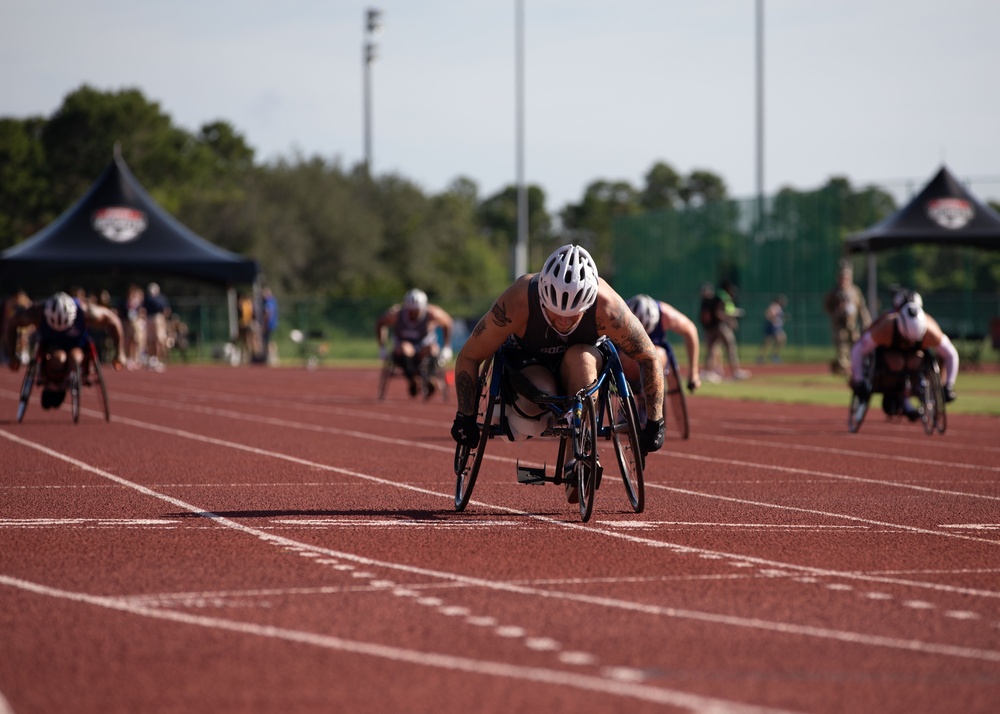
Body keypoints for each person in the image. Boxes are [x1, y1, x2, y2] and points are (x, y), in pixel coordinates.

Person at [450, 244, 665, 504]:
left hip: (581, 362)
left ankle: (577, 454)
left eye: (573, 314)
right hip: (531, 361)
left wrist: (655, 423)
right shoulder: (518, 301)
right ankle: (523, 413)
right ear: (541, 296)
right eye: (555, 312)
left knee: (583, 360)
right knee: (536, 404)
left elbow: (648, 356)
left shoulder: (608, 307)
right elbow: (470, 355)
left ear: (589, 303)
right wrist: (466, 415)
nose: (563, 322)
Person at [4, 292, 125, 409]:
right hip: (50, 350)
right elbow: (12, 324)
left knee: (75, 358)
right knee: (58, 358)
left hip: (77, 346)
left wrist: (120, 353)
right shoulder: (37, 312)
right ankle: (54, 383)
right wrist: (12, 356)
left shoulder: (87, 311)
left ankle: (71, 376)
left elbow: (114, 321)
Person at [849, 297, 958, 421]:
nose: (910, 343)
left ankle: (911, 394)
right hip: (890, 359)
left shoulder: (931, 331)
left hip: (915, 361)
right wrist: (859, 381)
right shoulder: (886, 327)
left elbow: (951, 354)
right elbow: (858, 350)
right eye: (907, 340)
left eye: (914, 340)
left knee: (917, 360)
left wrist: (948, 385)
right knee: (897, 362)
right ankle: (897, 394)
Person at [624, 294, 701, 424]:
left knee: (658, 353)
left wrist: (693, 373)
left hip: (656, 353)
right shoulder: (619, 310)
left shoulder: (666, 315)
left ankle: (646, 397)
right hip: (626, 355)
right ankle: (626, 403)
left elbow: (690, 330)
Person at [376, 288, 454, 398]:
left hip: (424, 347)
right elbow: (380, 322)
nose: (413, 313)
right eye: (411, 310)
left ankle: (430, 379)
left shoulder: (432, 313)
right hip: (404, 349)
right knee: (404, 347)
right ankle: (413, 378)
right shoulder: (396, 314)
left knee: (433, 348)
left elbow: (448, 323)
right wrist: (382, 347)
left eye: (417, 310)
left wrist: (447, 347)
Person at [824, 260, 871, 375]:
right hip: (839, 327)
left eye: (846, 278)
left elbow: (862, 309)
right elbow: (827, 308)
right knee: (842, 351)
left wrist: (867, 323)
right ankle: (843, 370)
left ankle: (840, 368)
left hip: (853, 327)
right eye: (841, 278)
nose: (843, 281)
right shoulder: (834, 293)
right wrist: (838, 309)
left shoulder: (855, 292)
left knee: (856, 349)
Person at [698, 281, 750, 382]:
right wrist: (729, 318)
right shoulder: (721, 297)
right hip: (720, 327)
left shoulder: (709, 300)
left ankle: (708, 372)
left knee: (711, 350)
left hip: (710, 328)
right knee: (730, 346)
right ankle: (735, 371)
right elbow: (719, 313)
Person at [143, 282, 170, 371]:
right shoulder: (148, 299)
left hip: (158, 318)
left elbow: (166, 310)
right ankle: (152, 359)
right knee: (151, 340)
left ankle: (157, 359)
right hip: (150, 318)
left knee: (158, 340)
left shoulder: (160, 298)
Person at [757, 294, 788, 364]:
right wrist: (774, 318)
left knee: (778, 340)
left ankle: (770, 356)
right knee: (769, 342)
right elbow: (769, 314)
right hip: (772, 327)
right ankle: (768, 357)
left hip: (776, 327)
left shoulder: (779, 307)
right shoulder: (774, 306)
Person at [261, 287, 279, 365]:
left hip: (269, 324)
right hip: (272, 324)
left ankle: (272, 357)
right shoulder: (273, 301)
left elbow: (268, 314)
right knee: (269, 340)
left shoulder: (269, 302)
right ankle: (272, 356)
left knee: (268, 341)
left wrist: (264, 325)